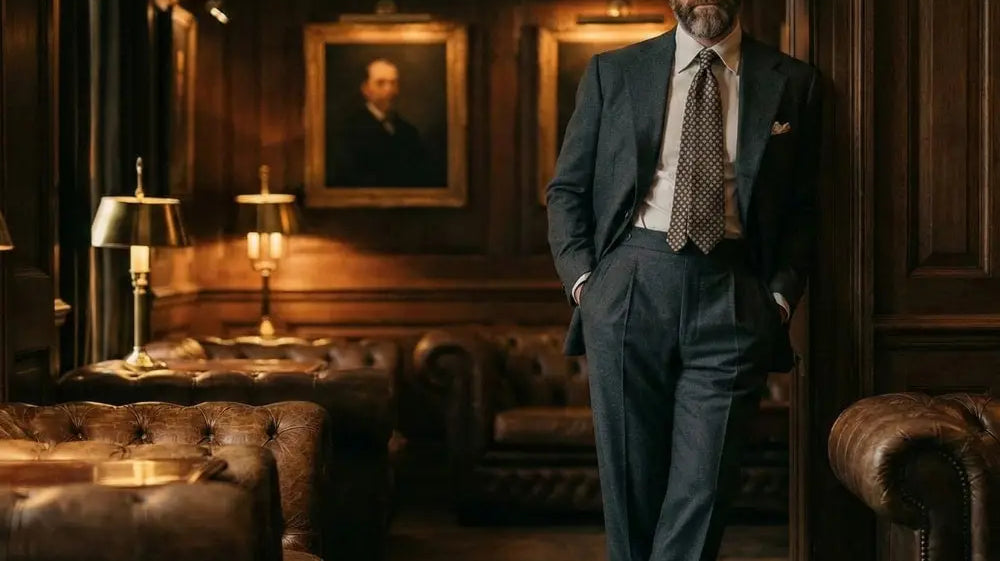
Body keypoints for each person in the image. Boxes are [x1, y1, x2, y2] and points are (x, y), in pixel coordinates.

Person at [546, 1, 821, 560]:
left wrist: (780, 296)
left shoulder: (793, 81)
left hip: (735, 289)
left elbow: (805, 209)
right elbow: (567, 190)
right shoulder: (614, 71)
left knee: (706, 485)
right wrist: (585, 284)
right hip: (629, 283)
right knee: (631, 480)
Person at [330, 58, 436, 187]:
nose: (389, 89)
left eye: (393, 83)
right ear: (365, 89)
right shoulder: (349, 129)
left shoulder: (408, 131)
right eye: (380, 83)